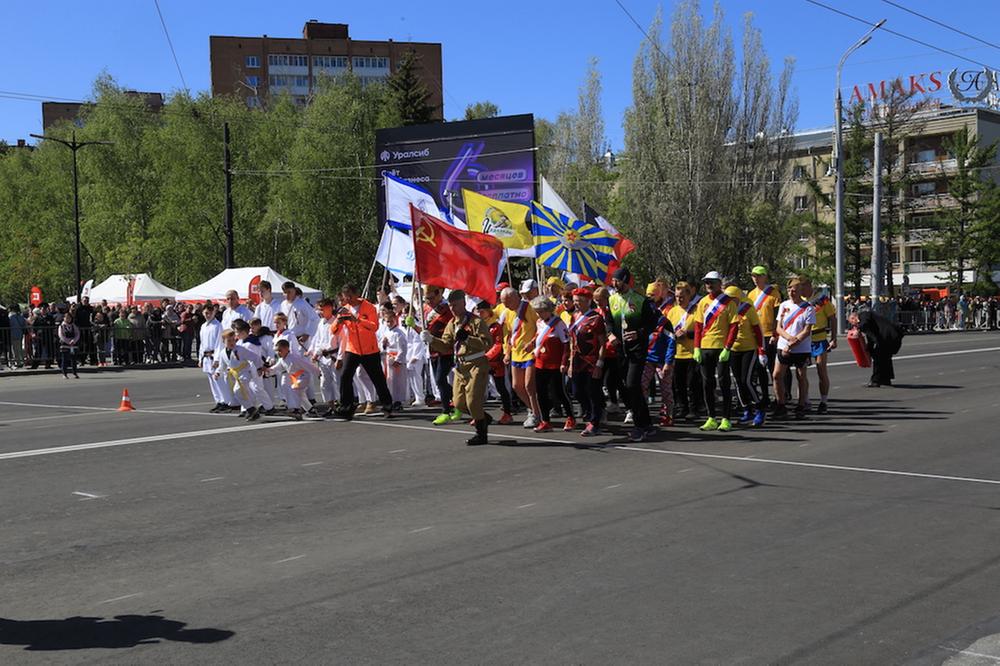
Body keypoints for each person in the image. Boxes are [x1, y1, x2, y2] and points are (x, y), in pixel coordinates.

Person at [420, 290, 493, 446]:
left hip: (476, 364)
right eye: (451, 305)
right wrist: (431, 339)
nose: (452, 308)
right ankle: (482, 417)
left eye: (456, 305)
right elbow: (446, 346)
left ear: (464, 303)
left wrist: (468, 339)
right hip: (460, 366)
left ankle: (481, 434)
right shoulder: (452, 324)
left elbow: (487, 344)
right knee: (459, 404)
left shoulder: (476, 322)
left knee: (473, 402)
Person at [606, 267, 660, 442]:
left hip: (637, 349)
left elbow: (653, 323)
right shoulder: (611, 299)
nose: (615, 284)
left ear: (626, 281)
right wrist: (610, 334)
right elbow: (608, 321)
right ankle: (647, 423)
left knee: (631, 385)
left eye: (618, 281)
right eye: (613, 281)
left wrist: (639, 333)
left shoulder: (640, 300)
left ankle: (638, 427)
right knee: (631, 387)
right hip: (620, 350)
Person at [328, 284, 393, 421]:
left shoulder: (369, 307)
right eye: (346, 298)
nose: (349, 300)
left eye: (350, 297)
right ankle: (346, 407)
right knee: (345, 376)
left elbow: (374, 326)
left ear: (356, 294)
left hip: (369, 349)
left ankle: (387, 405)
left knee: (378, 378)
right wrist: (338, 322)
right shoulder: (345, 309)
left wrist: (357, 320)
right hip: (352, 349)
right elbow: (333, 332)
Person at [693, 271, 740, 432]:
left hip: (721, 348)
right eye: (706, 282)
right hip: (705, 348)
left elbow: (734, 326)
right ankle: (711, 417)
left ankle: (726, 418)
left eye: (712, 282)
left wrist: (727, 348)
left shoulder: (729, 303)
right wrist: (696, 347)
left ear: (720, 283)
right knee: (707, 384)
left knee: (724, 382)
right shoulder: (702, 302)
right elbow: (698, 326)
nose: (708, 285)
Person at [411, 285, 458, 424]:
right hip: (432, 350)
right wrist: (414, 325)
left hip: (446, 349)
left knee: (439, 379)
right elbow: (425, 333)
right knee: (440, 381)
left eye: (431, 298)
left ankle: (448, 408)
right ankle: (455, 403)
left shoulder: (448, 310)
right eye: (427, 299)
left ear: (439, 295)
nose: (429, 301)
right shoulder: (426, 310)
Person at [724, 285, 767, 427]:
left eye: (733, 298)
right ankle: (747, 410)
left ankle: (760, 409)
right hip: (733, 349)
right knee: (737, 381)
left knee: (746, 381)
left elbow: (758, 331)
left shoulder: (748, 309)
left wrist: (762, 351)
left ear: (738, 298)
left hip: (749, 349)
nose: (730, 301)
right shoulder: (725, 310)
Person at [773, 278, 815, 420]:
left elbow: (807, 330)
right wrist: (788, 339)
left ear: (800, 291)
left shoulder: (808, 307)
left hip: (801, 348)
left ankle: (801, 405)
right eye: (790, 289)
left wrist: (793, 343)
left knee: (801, 377)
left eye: (795, 289)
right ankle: (781, 404)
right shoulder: (784, 305)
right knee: (777, 375)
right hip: (783, 346)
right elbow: (778, 327)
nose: (792, 292)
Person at [501, 282, 542, 428]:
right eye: (503, 303)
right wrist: (507, 352)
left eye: (507, 302)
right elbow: (508, 334)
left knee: (529, 386)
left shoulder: (529, 308)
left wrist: (532, 341)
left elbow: (541, 327)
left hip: (530, 353)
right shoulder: (508, 313)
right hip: (516, 354)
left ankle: (536, 414)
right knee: (517, 386)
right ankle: (532, 408)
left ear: (515, 298)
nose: (505, 306)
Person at [568, 288, 607, 437]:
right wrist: (571, 363)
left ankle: (594, 422)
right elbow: (572, 341)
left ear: (588, 301)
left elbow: (603, 342)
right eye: (575, 301)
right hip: (577, 361)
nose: (577, 304)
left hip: (591, 362)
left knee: (593, 391)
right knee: (576, 391)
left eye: (580, 301)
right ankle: (592, 412)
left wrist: (599, 363)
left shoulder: (595, 318)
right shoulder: (574, 316)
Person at [530, 297, 574, 433]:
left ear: (548, 310)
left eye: (541, 311)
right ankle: (545, 421)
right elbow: (538, 337)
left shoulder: (559, 324)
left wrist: (564, 362)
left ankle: (571, 417)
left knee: (559, 392)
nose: (539, 314)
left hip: (555, 364)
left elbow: (566, 344)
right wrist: (530, 344)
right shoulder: (539, 322)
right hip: (540, 363)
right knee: (541, 393)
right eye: (537, 312)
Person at [667, 282, 703, 422]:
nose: (679, 299)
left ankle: (695, 409)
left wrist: (687, 334)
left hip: (692, 353)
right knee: (678, 384)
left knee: (693, 383)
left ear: (689, 295)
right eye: (676, 296)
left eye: (682, 296)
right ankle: (682, 407)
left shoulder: (696, 310)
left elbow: (702, 331)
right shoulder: (672, 311)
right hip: (676, 353)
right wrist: (674, 335)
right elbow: (667, 331)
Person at [800, 278, 838, 413]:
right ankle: (806, 400)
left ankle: (823, 401)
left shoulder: (822, 299)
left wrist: (833, 338)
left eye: (802, 285)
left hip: (819, 338)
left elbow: (832, 318)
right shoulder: (798, 301)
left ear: (809, 285)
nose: (800, 289)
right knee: (801, 373)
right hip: (803, 340)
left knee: (821, 369)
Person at [748, 266, 782, 409]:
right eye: (754, 276)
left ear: (764, 277)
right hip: (756, 335)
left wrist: (776, 334)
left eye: (758, 276)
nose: (755, 279)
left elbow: (777, 316)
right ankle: (765, 396)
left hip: (769, 335)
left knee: (773, 368)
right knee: (759, 368)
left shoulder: (773, 293)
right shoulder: (750, 294)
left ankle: (779, 396)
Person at [214, 330, 266, 421]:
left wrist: (259, 368)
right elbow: (222, 366)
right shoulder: (222, 353)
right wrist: (218, 372)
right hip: (235, 374)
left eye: (233, 340)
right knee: (240, 393)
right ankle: (251, 410)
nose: (232, 343)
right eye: (229, 341)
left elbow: (255, 357)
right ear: (223, 342)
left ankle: (251, 409)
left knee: (238, 390)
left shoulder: (241, 349)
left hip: (245, 372)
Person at [477, 300, 514, 425]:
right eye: (479, 312)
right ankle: (479, 415)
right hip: (482, 360)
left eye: (482, 311)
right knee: (479, 388)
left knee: (501, 388)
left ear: (488, 311)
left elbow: (498, 344)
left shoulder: (496, 325)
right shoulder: (479, 325)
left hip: (495, 361)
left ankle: (508, 413)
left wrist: (487, 357)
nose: (480, 314)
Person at [271, 338, 321, 419]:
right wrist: (267, 371)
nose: (278, 353)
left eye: (280, 350)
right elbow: (276, 368)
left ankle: (296, 410)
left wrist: (318, 373)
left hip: (304, 377)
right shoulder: (282, 360)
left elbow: (308, 365)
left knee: (294, 389)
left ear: (287, 349)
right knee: (300, 394)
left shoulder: (294, 358)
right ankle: (311, 410)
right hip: (296, 378)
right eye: (277, 351)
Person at [199, 304, 234, 412]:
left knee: (219, 380)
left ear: (214, 313)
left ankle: (226, 401)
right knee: (212, 381)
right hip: (206, 356)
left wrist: (217, 359)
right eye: (205, 313)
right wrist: (200, 358)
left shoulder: (217, 325)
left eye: (209, 313)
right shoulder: (203, 326)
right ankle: (218, 401)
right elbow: (202, 343)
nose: (207, 315)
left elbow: (220, 344)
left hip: (214, 355)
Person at [307, 299, 340, 415]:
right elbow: (318, 340)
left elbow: (341, 342)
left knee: (337, 382)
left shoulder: (337, 322)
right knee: (325, 383)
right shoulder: (321, 323)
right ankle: (330, 405)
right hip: (323, 358)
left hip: (334, 356)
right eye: (319, 309)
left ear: (330, 308)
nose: (320, 311)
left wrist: (339, 357)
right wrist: (315, 353)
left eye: (322, 309)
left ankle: (340, 405)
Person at [857, 310, 904, 387]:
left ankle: (876, 380)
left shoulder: (863, 314)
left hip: (888, 336)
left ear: (854, 318)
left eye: (853, 323)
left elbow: (865, 324)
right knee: (885, 357)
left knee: (878, 357)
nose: (854, 326)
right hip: (892, 336)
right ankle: (886, 379)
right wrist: (869, 348)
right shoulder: (870, 323)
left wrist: (860, 327)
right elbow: (871, 335)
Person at [377, 301, 408, 411]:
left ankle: (398, 401)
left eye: (391, 321)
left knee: (398, 381)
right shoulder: (387, 332)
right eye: (387, 321)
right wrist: (384, 345)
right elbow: (383, 346)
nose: (389, 323)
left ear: (395, 319)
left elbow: (403, 348)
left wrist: (398, 359)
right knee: (390, 380)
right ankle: (391, 400)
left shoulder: (399, 333)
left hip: (396, 359)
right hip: (388, 358)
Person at [57, 312, 81, 379]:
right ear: (64, 318)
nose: (68, 319)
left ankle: (74, 373)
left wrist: (74, 340)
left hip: (73, 345)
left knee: (74, 360)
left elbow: (77, 334)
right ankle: (64, 373)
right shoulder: (61, 326)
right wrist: (68, 341)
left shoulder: (73, 326)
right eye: (66, 317)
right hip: (65, 345)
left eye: (69, 318)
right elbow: (61, 335)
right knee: (65, 360)